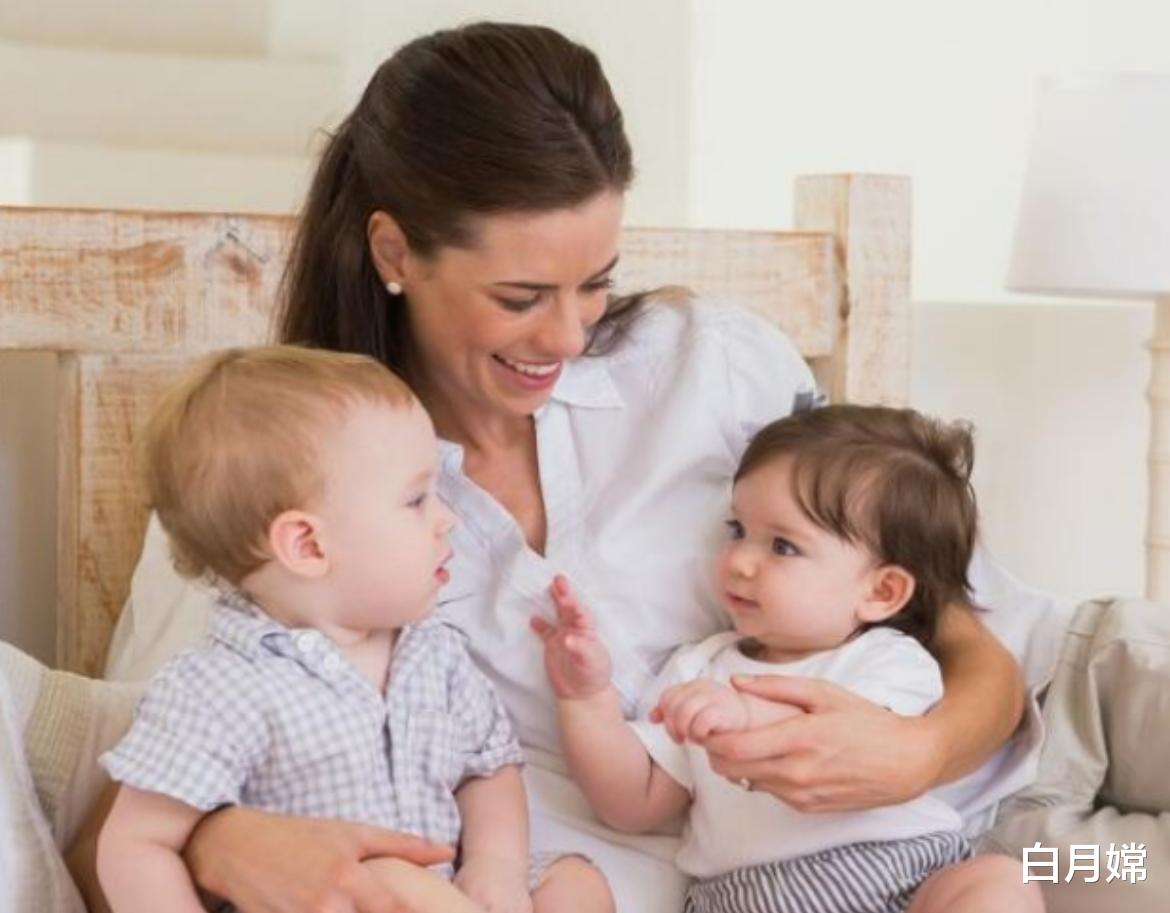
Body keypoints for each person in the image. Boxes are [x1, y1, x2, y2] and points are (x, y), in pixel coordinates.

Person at [69, 21, 1043, 913]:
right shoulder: (274, 475)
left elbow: (972, 645)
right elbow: (113, 821)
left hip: (861, 863)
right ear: (395, 251)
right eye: (521, 295)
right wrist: (225, 843)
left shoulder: (714, 368)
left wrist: (915, 751)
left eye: (595, 283)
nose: (568, 336)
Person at [94, 346, 613, 913]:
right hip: (327, 897)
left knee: (574, 884)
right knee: (389, 879)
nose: (447, 520)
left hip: (444, 887)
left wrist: (495, 867)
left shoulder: (433, 651)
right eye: (416, 500)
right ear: (308, 545)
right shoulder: (221, 686)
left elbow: (488, 769)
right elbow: (136, 843)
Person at [535, 404, 1043, 913]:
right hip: (748, 898)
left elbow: (844, 738)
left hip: (904, 879)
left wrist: (741, 715)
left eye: (782, 546)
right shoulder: (699, 669)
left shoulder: (890, 661)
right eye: (737, 530)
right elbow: (634, 804)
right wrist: (585, 699)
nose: (740, 561)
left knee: (999, 881)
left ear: (881, 591)